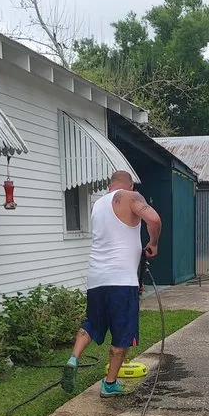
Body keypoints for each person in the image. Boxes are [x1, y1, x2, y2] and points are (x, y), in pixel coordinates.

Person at [61, 170, 161, 397]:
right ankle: (109, 384)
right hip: (121, 281)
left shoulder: (98, 205)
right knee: (122, 335)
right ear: (130, 185)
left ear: (109, 185)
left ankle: (73, 358)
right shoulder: (131, 197)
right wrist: (153, 243)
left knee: (92, 324)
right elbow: (154, 219)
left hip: (96, 278)